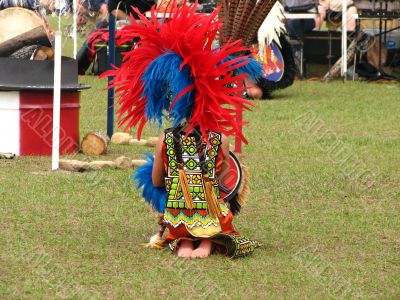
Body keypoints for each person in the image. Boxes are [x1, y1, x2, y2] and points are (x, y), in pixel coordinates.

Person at [105, 2, 260, 258]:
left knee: (181, 214)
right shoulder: (221, 139)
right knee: (214, 208)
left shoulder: (165, 139)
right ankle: (208, 242)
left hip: (178, 217)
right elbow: (223, 179)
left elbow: (156, 181)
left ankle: (185, 241)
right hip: (212, 216)